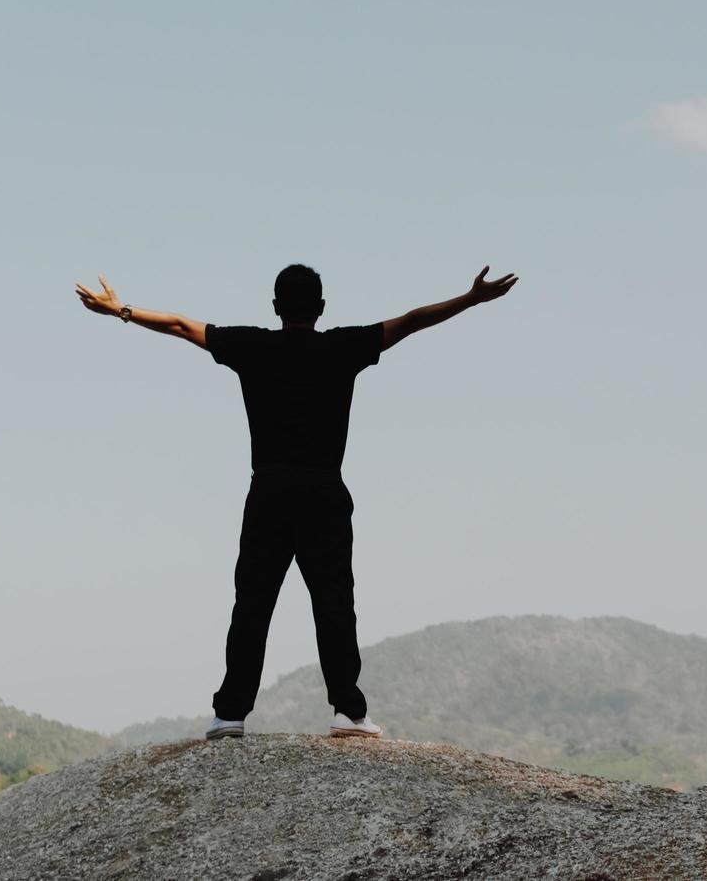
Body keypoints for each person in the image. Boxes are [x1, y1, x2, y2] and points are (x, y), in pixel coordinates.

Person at [75, 263, 518, 741]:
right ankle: (347, 711)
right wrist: (470, 299)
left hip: (269, 492)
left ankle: (231, 714)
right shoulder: (342, 346)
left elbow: (182, 325)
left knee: (253, 604)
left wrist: (119, 309)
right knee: (334, 602)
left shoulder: (252, 346)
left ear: (274, 308)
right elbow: (411, 320)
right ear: (322, 308)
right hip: (325, 492)